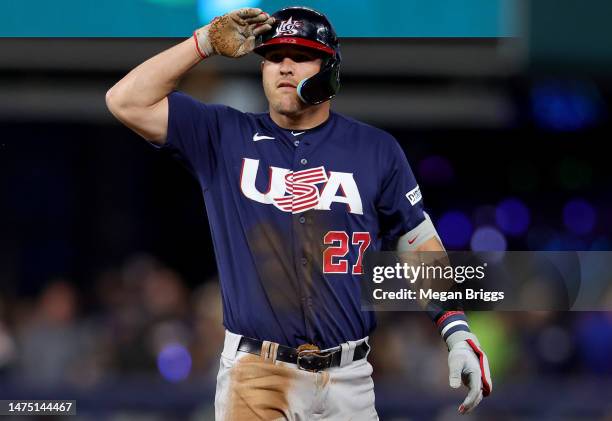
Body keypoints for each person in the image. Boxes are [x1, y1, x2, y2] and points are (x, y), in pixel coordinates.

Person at [106, 6, 492, 420]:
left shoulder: (375, 150)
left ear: (330, 70)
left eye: (300, 56)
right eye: (273, 57)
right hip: (257, 374)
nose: (284, 67)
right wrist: (202, 44)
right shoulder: (224, 135)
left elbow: (418, 243)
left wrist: (455, 328)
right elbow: (125, 100)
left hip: (350, 378)